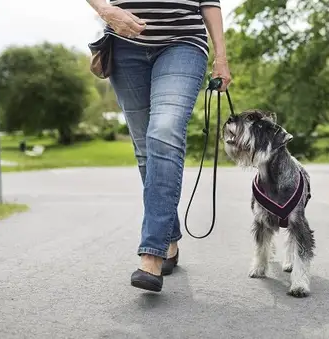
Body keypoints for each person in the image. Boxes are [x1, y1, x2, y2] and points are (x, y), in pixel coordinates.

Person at [86, 0, 231, 292]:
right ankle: (169, 238)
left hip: (183, 43)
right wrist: (105, 10)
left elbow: (209, 1)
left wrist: (221, 56)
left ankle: (152, 253)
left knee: (164, 133)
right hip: (124, 44)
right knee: (145, 149)